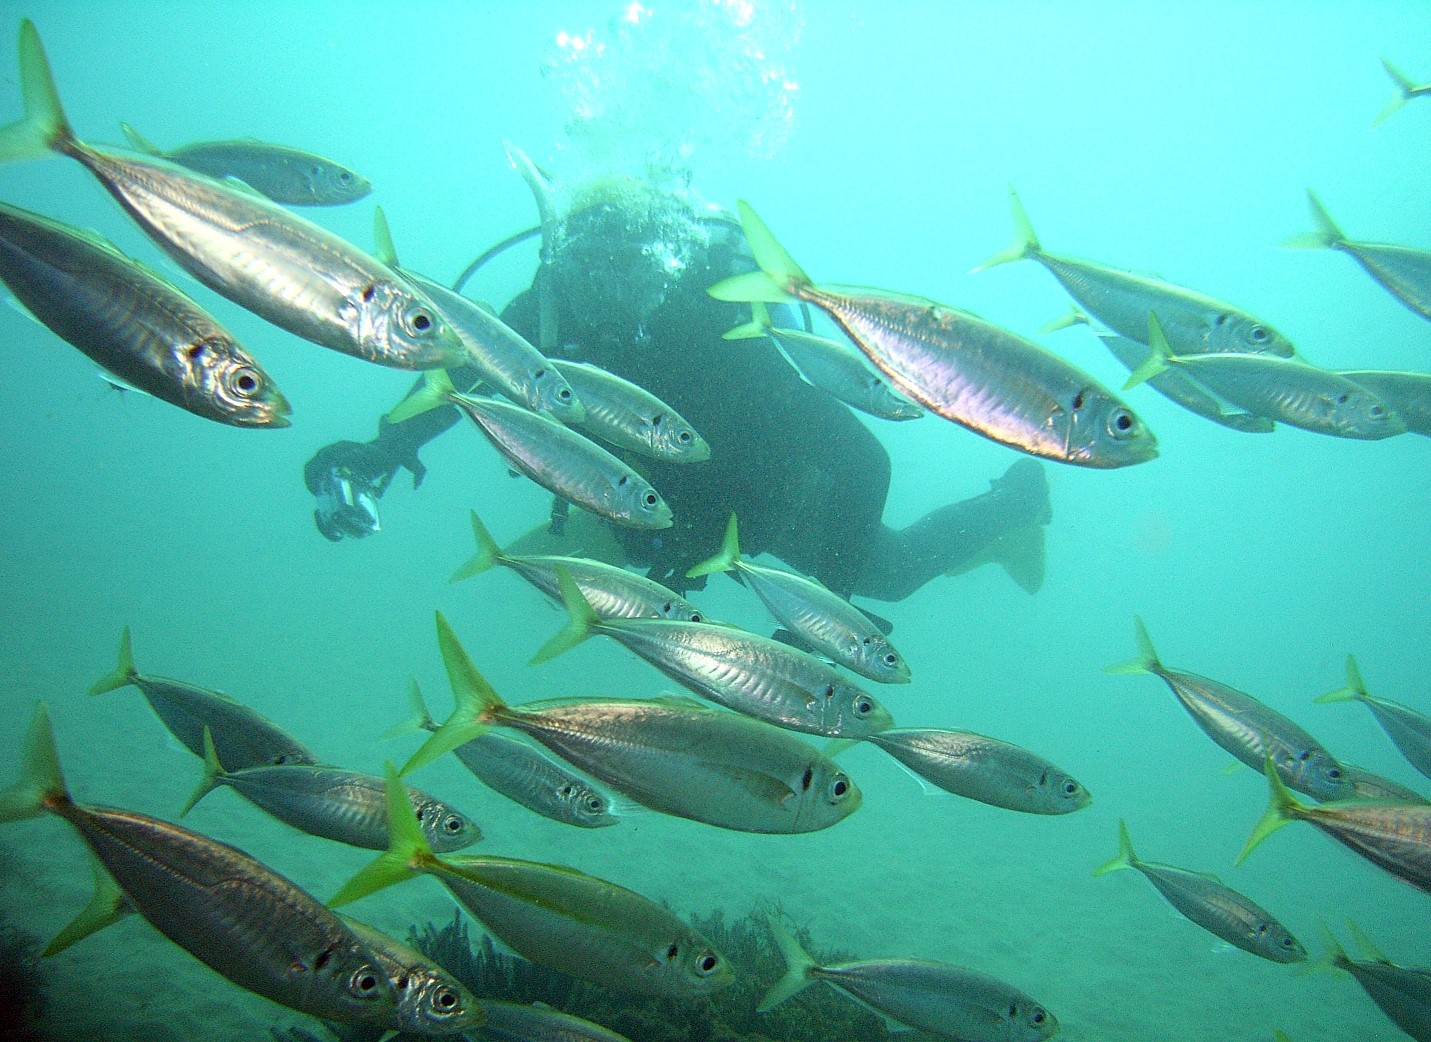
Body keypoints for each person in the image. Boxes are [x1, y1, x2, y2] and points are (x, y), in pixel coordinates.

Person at [305, 175, 1052, 602]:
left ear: (657, 255)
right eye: (587, 254)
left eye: (624, 255)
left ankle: (1015, 502)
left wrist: (831, 611)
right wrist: (379, 451)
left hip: (761, 500)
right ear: (561, 251)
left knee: (885, 574)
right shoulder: (544, 314)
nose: (609, 279)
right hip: (637, 506)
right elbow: (462, 374)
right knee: (543, 587)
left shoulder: (716, 329)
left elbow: (866, 463)